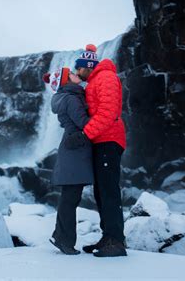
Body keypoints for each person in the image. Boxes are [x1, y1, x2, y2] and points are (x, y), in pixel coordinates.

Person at [66, 44, 127, 257]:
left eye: (78, 68)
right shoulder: (94, 81)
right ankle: (108, 237)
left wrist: (84, 135)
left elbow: (108, 112)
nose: (76, 71)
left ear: (87, 66)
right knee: (102, 191)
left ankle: (116, 242)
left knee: (108, 190)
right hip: (101, 140)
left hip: (109, 140)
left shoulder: (106, 78)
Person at [42, 67, 93, 255]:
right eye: (71, 73)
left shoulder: (67, 97)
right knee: (71, 198)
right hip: (75, 150)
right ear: (66, 81)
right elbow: (85, 124)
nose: (76, 74)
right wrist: (105, 118)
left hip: (72, 148)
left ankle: (60, 236)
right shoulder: (72, 98)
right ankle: (65, 241)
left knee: (69, 197)